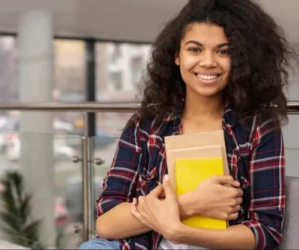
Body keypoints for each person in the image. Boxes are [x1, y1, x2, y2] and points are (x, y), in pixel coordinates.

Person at [79, 0, 296, 249]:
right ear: (177, 56)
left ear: (242, 60)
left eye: (223, 51)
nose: (207, 62)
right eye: (195, 50)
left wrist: (180, 232)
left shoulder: (257, 127)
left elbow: (266, 232)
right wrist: (191, 203)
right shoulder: (146, 125)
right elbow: (107, 224)